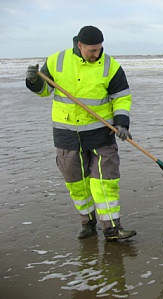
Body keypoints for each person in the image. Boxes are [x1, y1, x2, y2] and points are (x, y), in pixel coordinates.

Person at [26, 25, 136, 241]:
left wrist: (122, 123)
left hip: (101, 133)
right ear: (80, 45)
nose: (97, 54)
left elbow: (121, 97)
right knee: (77, 183)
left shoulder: (110, 66)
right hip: (66, 134)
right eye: (92, 50)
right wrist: (33, 80)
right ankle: (87, 223)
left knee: (106, 182)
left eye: (100, 49)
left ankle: (112, 229)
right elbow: (44, 91)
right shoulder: (57, 61)